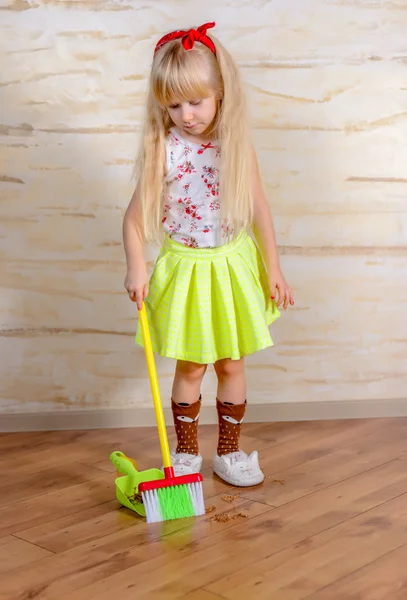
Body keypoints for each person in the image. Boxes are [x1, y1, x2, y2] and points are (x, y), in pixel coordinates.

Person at [123, 22, 294, 487]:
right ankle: (185, 454)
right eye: (173, 105)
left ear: (220, 91)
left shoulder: (234, 145)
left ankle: (230, 453)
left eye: (195, 101)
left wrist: (273, 267)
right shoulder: (166, 149)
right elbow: (135, 220)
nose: (185, 115)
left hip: (233, 265)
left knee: (231, 362)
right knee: (192, 365)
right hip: (187, 268)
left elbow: (259, 207)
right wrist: (136, 266)